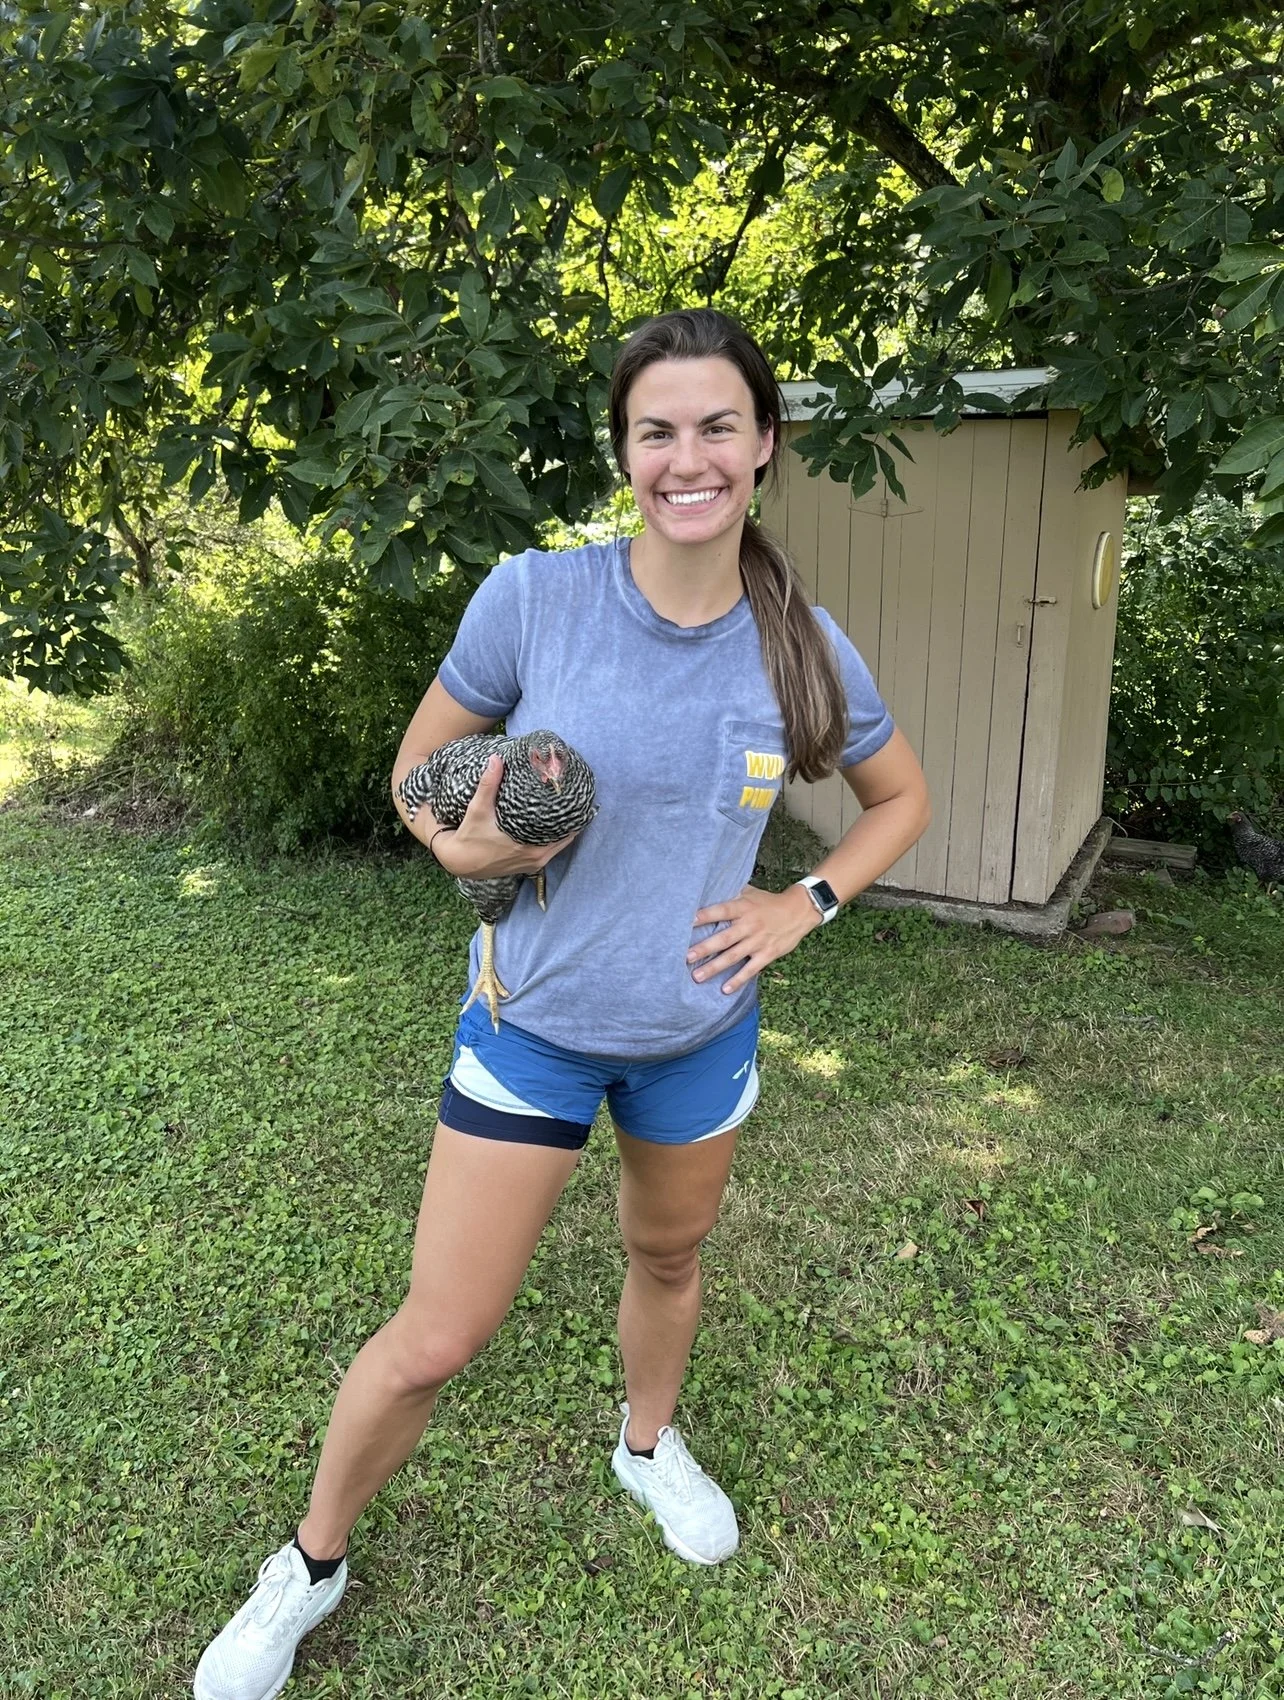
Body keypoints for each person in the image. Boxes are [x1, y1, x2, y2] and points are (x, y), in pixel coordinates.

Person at [193, 308, 930, 1700]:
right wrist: (463, 842)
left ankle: (646, 1448)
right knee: (437, 1337)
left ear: (765, 448)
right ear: (627, 454)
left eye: (719, 425)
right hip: (531, 1026)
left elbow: (898, 802)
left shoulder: (801, 647)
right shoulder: (538, 596)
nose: (688, 456)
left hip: (696, 1040)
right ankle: (312, 1563)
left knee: (669, 1258)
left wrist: (802, 905)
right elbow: (423, 768)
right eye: (659, 430)